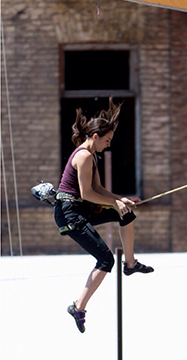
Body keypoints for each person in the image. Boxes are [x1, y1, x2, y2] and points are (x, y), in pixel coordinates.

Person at [54, 98, 153, 333]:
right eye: (107, 140)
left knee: (125, 214)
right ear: (96, 136)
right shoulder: (84, 156)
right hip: (70, 213)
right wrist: (115, 202)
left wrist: (121, 200)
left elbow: (98, 190)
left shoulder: (92, 155)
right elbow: (87, 194)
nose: (108, 145)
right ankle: (78, 307)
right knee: (106, 260)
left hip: (79, 208)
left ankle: (130, 264)